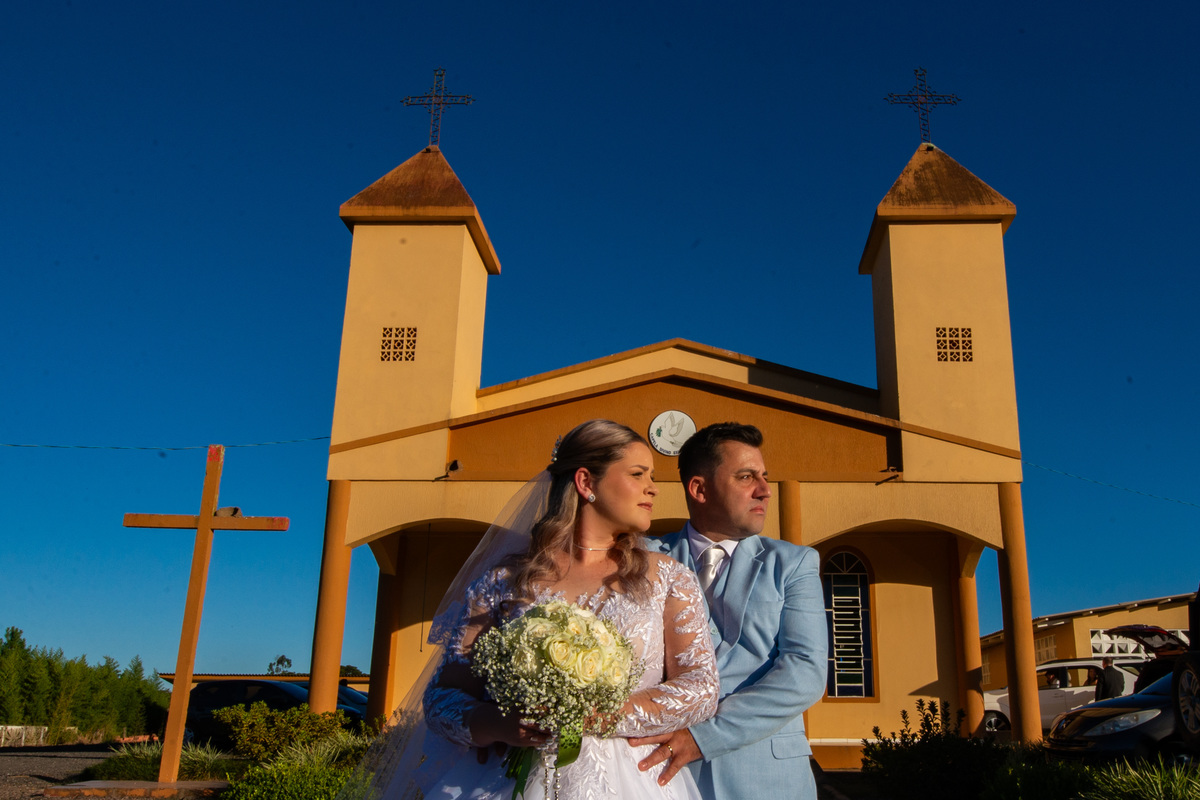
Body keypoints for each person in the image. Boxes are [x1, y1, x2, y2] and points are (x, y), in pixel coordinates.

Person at [355, 420, 719, 800]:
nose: (653, 487)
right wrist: (495, 723)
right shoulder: (505, 580)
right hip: (505, 778)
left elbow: (702, 687)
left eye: (652, 476)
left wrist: (596, 714)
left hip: (630, 779)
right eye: (637, 474)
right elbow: (441, 697)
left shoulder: (668, 578)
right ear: (586, 482)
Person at [632, 422, 828, 800]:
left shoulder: (793, 563)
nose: (765, 490)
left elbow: (806, 669)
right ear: (699, 489)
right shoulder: (644, 559)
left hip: (769, 778)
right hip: (663, 775)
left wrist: (703, 736)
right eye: (746, 476)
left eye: (764, 477)